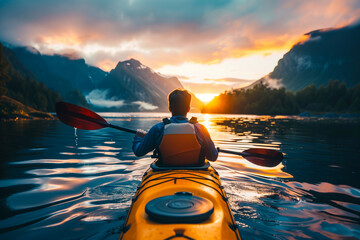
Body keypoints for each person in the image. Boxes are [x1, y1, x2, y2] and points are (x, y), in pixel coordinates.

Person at [133, 89, 218, 166]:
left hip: (164, 172)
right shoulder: (200, 129)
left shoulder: (158, 129)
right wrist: (216, 150)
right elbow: (213, 157)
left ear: (170, 108)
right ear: (188, 109)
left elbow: (139, 152)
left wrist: (139, 137)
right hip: (197, 171)